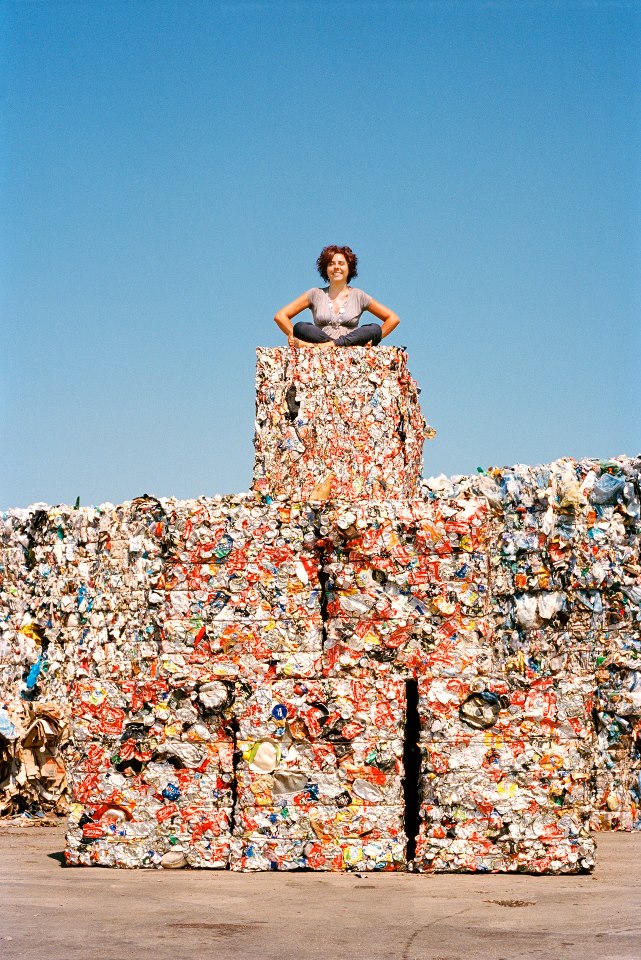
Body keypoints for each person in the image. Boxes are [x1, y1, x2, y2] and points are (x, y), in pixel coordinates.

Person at [273, 245, 400, 349]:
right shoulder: (314, 293)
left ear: (349, 268)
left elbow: (393, 318)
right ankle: (333, 346)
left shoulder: (359, 295)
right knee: (300, 327)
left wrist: (374, 340)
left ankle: (319, 347)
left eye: (341, 263)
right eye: (331, 264)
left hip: (350, 341)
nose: (336, 267)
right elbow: (280, 316)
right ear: (326, 269)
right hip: (339, 344)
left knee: (374, 329)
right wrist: (292, 335)